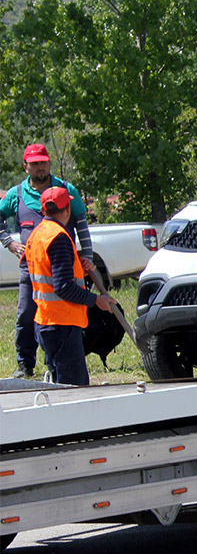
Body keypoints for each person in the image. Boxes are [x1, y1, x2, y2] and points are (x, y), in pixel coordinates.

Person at [1, 144, 95, 378]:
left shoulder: (65, 190)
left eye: (43, 162)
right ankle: (25, 364)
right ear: (26, 166)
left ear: (49, 163)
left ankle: (61, 360)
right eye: (34, 163)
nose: (40, 167)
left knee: (64, 312)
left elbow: (82, 225)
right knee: (26, 314)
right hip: (30, 266)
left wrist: (88, 256)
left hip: (61, 263)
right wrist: (8, 242)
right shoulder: (17, 194)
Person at [24, 186, 116, 385]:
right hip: (61, 325)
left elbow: (46, 273)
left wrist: (77, 268)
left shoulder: (37, 235)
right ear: (67, 210)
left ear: (43, 210)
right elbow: (63, 287)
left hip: (46, 321)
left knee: (60, 386)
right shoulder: (59, 238)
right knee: (74, 391)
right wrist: (96, 300)